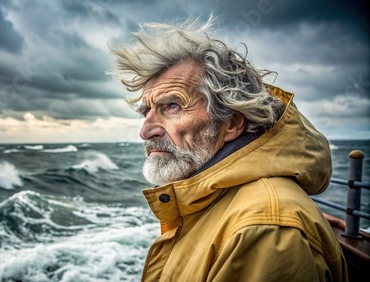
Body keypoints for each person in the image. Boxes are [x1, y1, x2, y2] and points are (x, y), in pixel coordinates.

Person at [109, 17, 348, 281]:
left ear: (232, 123)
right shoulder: (225, 203)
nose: (145, 131)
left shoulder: (266, 229)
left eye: (172, 106)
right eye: (146, 111)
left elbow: (265, 222)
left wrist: (268, 219)